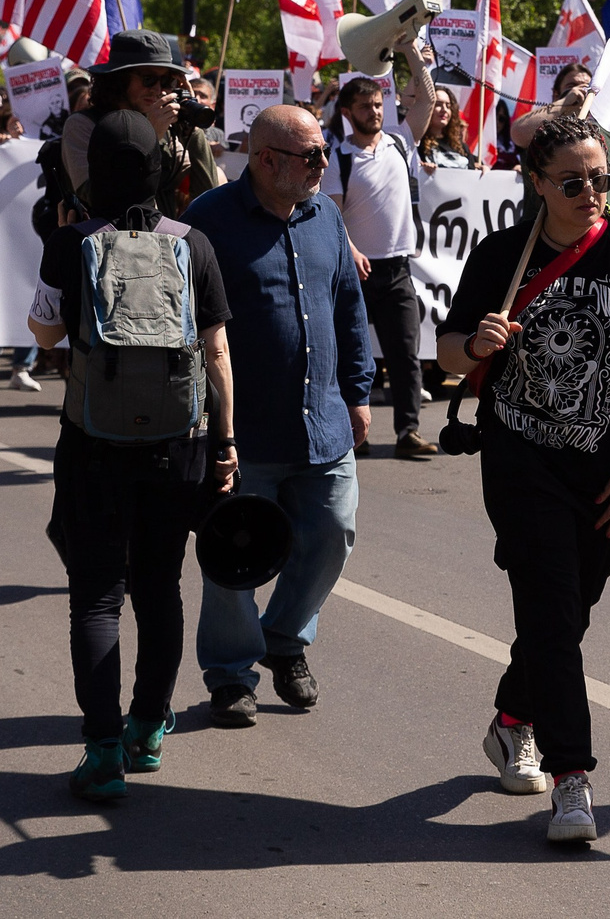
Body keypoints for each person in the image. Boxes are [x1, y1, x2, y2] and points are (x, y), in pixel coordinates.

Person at [436, 112, 610, 846]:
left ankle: (514, 717)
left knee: (567, 615)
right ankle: (572, 779)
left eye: (601, 178)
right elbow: (450, 350)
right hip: (520, 462)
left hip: (607, 469)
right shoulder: (502, 255)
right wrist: (470, 346)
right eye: (572, 181)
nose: (590, 192)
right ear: (538, 183)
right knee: (550, 607)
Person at [25, 113, 238, 802]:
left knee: (95, 596)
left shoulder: (71, 241)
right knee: (160, 587)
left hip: (93, 440)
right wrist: (226, 443)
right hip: (179, 443)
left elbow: (44, 326)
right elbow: (217, 354)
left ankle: (102, 749)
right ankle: (148, 727)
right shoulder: (192, 243)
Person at [182, 105, 375, 729]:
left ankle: (286, 641)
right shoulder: (207, 223)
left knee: (331, 533)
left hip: (323, 421)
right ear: (265, 160)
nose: (324, 164)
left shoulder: (324, 215)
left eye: (324, 152)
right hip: (243, 431)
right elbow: (184, 326)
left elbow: (347, 304)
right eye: (311, 155)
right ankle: (232, 673)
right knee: (233, 556)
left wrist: (358, 390)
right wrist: (206, 422)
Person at [324, 51, 439, 460]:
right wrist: (351, 250)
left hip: (397, 271)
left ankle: (408, 430)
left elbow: (425, 100)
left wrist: (412, 54)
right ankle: (355, 433)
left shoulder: (399, 140)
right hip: (355, 272)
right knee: (351, 355)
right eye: (364, 107)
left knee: (405, 354)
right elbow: (333, 214)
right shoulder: (337, 157)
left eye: (377, 105)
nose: (373, 112)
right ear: (347, 111)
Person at [64, 32, 221, 216]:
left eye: (166, 81)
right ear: (119, 79)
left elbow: (208, 199)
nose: (157, 90)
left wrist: (191, 124)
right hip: (111, 240)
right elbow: (98, 197)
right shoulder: (83, 125)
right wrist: (151, 136)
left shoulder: (168, 122)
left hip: (166, 240)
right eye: (149, 79)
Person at [419, 85, 477, 169]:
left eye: (448, 106)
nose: (444, 109)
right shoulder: (418, 143)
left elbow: (472, 176)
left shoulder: (461, 147)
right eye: (438, 104)